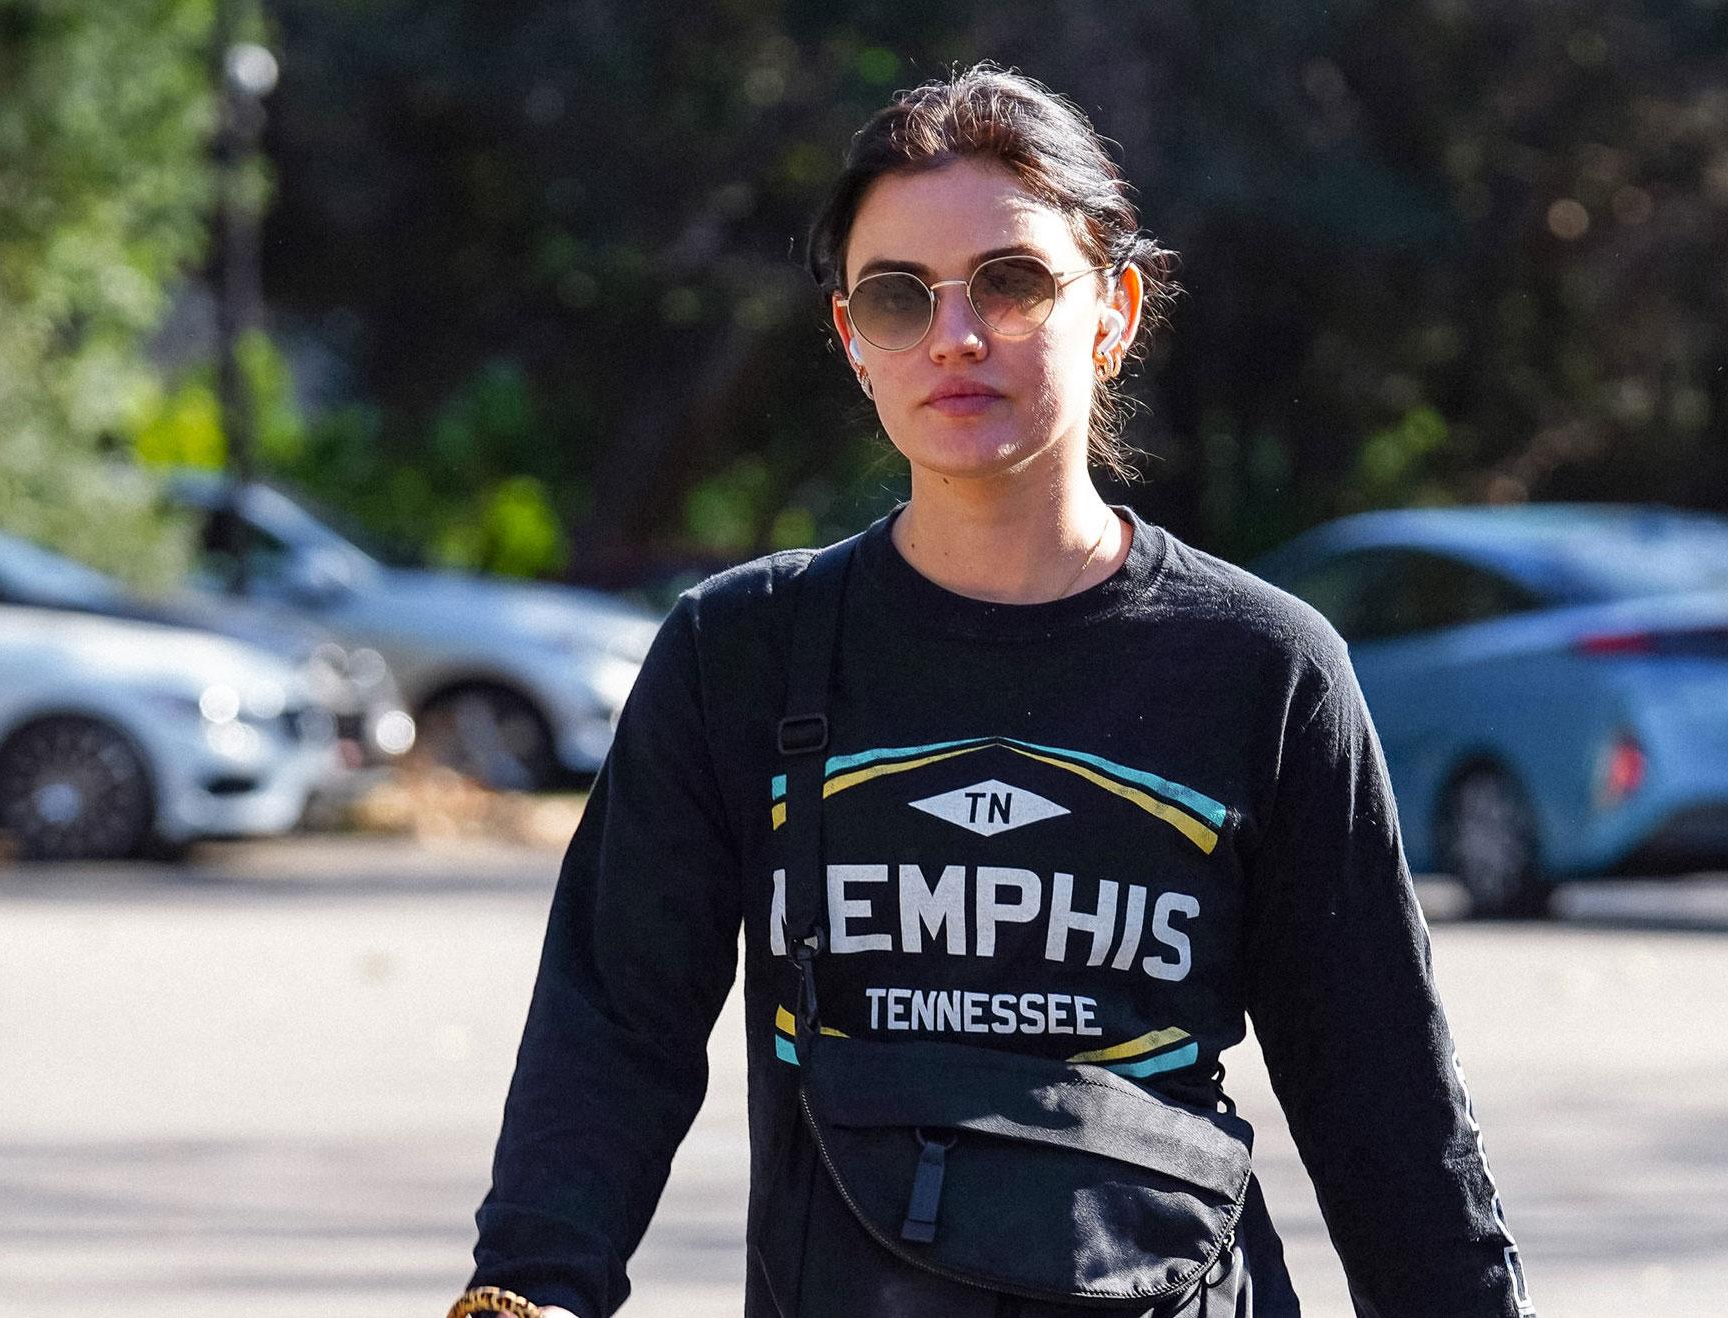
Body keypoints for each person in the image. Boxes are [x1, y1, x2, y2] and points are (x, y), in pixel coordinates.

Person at [457, 65, 1534, 1318]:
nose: (955, 336)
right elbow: (610, 1037)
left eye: (1013, 282)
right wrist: (531, 1291)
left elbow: (1385, 1110)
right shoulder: (740, 653)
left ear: (1114, 309)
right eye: (899, 298)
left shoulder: (1263, 666)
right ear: (853, 341)